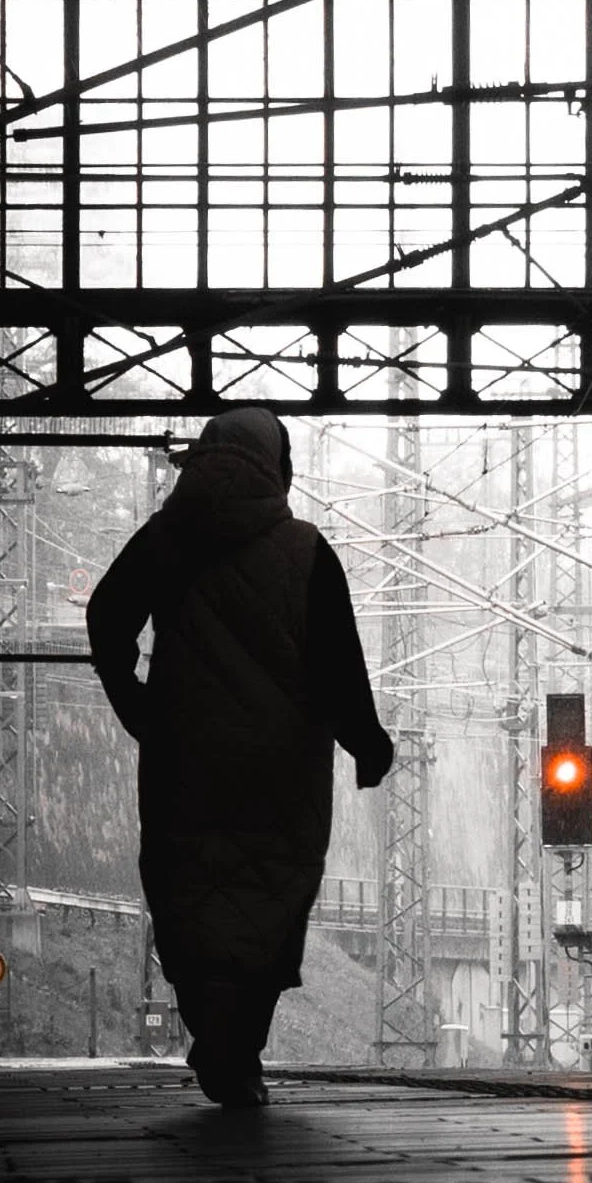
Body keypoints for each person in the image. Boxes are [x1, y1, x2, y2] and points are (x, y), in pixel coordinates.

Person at [88, 407, 393, 1108]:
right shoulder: (306, 550)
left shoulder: (164, 538)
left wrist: (137, 704)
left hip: (183, 762)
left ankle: (213, 1035)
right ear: (278, 468)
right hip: (283, 771)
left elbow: (106, 617)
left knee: (189, 895)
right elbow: (339, 667)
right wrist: (367, 743)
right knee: (270, 900)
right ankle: (240, 1050)